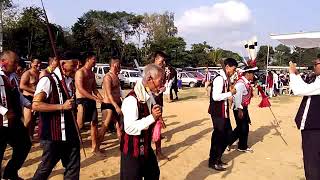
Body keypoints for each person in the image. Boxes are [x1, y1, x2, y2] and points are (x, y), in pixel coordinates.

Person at [32, 51, 80, 180]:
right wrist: (62, 107)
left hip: (70, 133)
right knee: (46, 167)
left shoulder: (70, 81)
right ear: (63, 64)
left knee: (73, 167)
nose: (76, 68)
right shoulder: (47, 80)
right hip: (53, 134)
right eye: (74, 65)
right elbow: (36, 105)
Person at [120, 64, 164, 180]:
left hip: (145, 148)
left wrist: (156, 116)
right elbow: (129, 128)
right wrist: (152, 118)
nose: (161, 84)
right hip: (131, 151)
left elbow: (149, 116)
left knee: (153, 174)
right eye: (160, 81)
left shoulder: (148, 95)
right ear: (149, 79)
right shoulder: (131, 100)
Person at [0, 50, 31, 180]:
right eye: (14, 62)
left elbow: (18, 95)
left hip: (14, 121)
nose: (17, 65)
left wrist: (29, 104)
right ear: (3, 62)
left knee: (24, 144)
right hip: (1, 122)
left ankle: (10, 173)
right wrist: (4, 111)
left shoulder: (13, 76)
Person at [289, 59, 320, 180]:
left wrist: (292, 73)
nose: (314, 66)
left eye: (316, 64)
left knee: (312, 162)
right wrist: (297, 74)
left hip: (314, 127)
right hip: (315, 126)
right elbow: (307, 87)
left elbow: (300, 90)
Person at [208, 58, 238, 171]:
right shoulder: (219, 79)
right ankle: (213, 161)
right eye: (233, 69)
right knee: (218, 137)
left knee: (227, 136)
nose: (233, 72)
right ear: (227, 67)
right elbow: (216, 97)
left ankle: (218, 158)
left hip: (224, 112)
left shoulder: (226, 79)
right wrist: (230, 93)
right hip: (218, 113)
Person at [75, 52, 103, 155]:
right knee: (80, 125)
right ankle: (73, 143)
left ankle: (94, 147)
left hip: (91, 101)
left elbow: (94, 89)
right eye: (94, 59)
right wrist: (95, 98)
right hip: (81, 101)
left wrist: (101, 98)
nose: (95, 62)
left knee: (94, 123)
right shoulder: (80, 72)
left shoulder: (92, 73)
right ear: (88, 60)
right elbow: (81, 89)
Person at [229, 66, 256, 153]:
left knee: (242, 127)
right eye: (253, 73)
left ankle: (239, 144)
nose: (254, 75)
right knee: (242, 128)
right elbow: (237, 97)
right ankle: (230, 143)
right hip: (239, 107)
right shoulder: (241, 84)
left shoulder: (246, 82)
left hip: (243, 107)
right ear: (248, 74)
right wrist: (240, 110)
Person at [98, 57, 122, 148]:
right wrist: (116, 106)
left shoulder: (116, 76)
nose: (120, 67)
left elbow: (118, 92)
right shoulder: (108, 77)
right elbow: (109, 94)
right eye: (119, 65)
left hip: (117, 103)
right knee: (105, 126)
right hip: (109, 105)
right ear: (115, 65)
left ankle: (122, 144)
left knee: (119, 126)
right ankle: (96, 148)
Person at [151, 51, 168, 160]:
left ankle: (158, 152)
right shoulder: (149, 71)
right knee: (149, 126)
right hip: (149, 101)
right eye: (161, 61)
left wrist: (163, 89)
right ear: (156, 60)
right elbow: (145, 86)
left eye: (164, 61)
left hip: (159, 100)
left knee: (158, 126)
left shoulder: (163, 72)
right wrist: (153, 91)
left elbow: (163, 85)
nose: (163, 63)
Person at [20, 58, 41, 136]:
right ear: (31, 64)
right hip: (27, 98)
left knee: (33, 120)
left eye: (39, 63)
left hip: (36, 99)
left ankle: (30, 136)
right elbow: (21, 86)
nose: (38, 65)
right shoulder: (27, 73)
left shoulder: (40, 73)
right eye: (36, 63)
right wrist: (34, 91)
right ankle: (23, 136)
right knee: (28, 120)